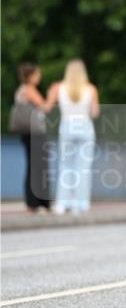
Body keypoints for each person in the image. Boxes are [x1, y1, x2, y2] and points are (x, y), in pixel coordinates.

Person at [46, 59, 100, 215]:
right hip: (85, 127)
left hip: (67, 127)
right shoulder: (91, 89)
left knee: (65, 167)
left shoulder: (58, 87)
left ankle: (62, 204)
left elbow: (48, 106)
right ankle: (80, 204)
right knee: (83, 168)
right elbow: (94, 113)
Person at [11, 63, 51, 212]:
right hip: (35, 133)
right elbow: (45, 106)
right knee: (39, 167)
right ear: (30, 76)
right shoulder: (28, 90)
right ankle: (38, 203)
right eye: (37, 74)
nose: (39, 77)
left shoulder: (20, 90)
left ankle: (32, 202)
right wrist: (52, 94)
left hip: (27, 133)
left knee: (33, 166)